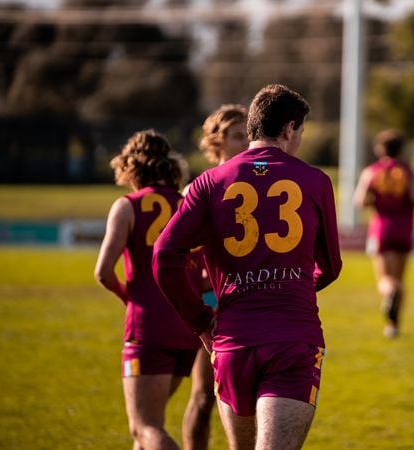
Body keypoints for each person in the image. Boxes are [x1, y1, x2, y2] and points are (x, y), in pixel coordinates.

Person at [153, 84, 342, 450]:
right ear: (289, 129)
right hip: (291, 336)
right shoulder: (315, 181)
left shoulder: (208, 182)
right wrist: (293, 285)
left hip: (232, 339)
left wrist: (199, 321)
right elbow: (331, 266)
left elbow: (164, 255)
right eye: (300, 131)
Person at [94, 130, 201, 450]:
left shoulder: (128, 205)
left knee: (145, 427)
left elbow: (103, 272)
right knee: (143, 431)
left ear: (129, 166)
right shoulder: (188, 205)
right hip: (187, 328)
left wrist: (129, 297)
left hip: (149, 328)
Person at [181, 103, 249, 450]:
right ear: (216, 141)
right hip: (207, 301)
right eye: (238, 135)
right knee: (205, 394)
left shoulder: (257, 186)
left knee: (238, 398)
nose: (246, 142)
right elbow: (173, 253)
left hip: (242, 301)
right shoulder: (198, 189)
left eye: (249, 135)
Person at [353, 129, 414, 338]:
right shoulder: (408, 171)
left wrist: (379, 200)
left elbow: (360, 200)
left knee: (385, 280)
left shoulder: (372, 171)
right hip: (404, 228)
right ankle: (393, 326)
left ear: (380, 149)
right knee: (400, 280)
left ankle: (389, 295)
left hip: (381, 228)